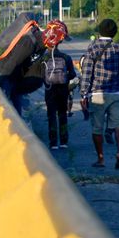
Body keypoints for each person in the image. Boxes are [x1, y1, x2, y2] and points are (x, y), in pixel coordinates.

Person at [80, 19, 119, 169]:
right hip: (118, 93)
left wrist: (84, 93)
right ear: (115, 32)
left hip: (97, 93)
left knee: (97, 127)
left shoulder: (92, 48)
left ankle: (101, 158)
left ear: (99, 31)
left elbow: (86, 72)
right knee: (118, 124)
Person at [40, 20, 76, 150]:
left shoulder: (44, 58)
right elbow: (72, 75)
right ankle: (64, 141)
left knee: (51, 116)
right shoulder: (66, 57)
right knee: (62, 115)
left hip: (50, 90)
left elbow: (41, 75)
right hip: (63, 90)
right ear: (59, 42)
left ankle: (53, 142)